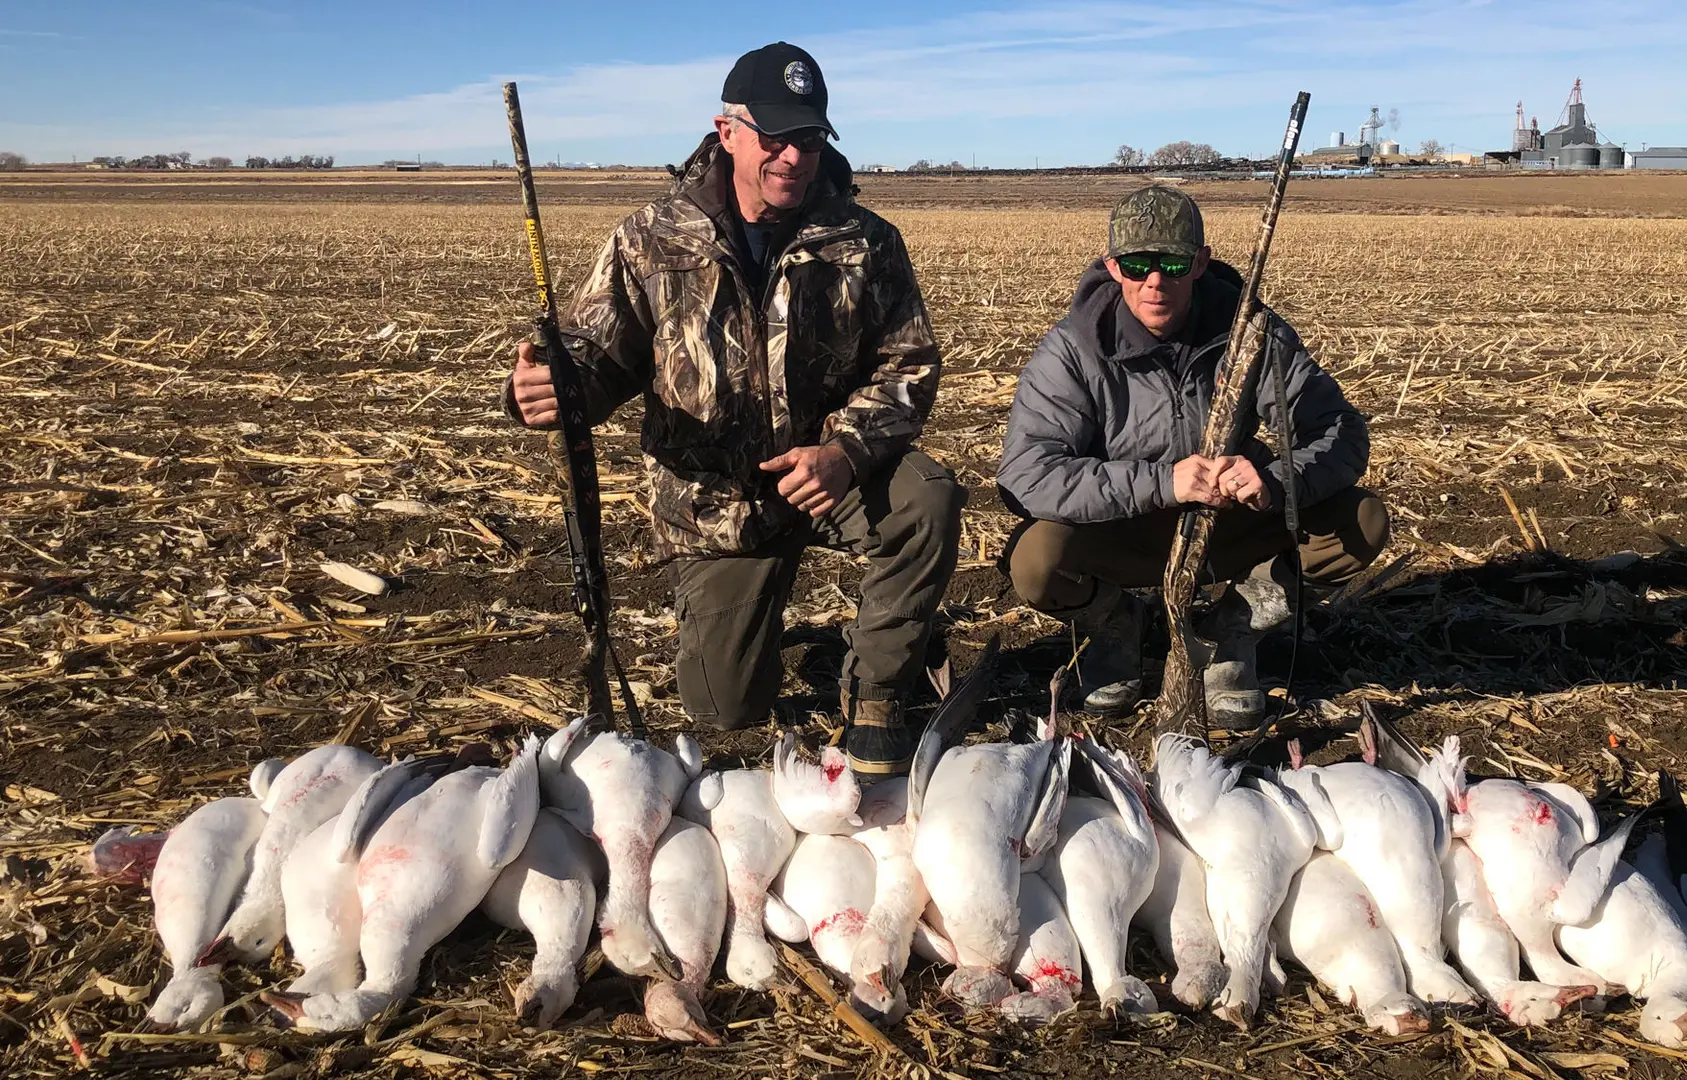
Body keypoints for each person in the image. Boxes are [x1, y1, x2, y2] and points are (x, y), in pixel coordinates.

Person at [502, 42, 961, 780]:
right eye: (774, 138)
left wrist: (845, 450)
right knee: (724, 708)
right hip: (716, 502)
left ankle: (879, 686)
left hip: (826, 476)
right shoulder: (650, 238)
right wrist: (554, 387)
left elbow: (908, 365)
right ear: (727, 132)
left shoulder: (866, 241)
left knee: (926, 499)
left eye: (808, 140)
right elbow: (594, 355)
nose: (792, 158)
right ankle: (757, 618)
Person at [998, 184, 1385, 729]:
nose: (1155, 282)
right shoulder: (1073, 349)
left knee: (1361, 522)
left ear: (1201, 263)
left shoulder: (1254, 335)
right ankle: (1117, 624)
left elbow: (1341, 431)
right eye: (1137, 264)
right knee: (1037, 561)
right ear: (1112, 266)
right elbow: (1025, 474)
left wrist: (1275, 479)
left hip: (1232, 526)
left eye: (1174, 264)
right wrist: (1162, 483)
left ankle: (1235, 627)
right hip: (1124, 531)